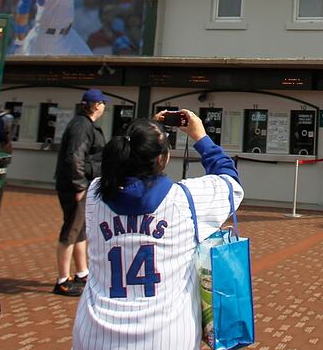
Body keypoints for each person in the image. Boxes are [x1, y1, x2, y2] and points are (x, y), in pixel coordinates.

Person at [72, 110, 243, 350]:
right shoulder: (185, 200)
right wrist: (201, 137)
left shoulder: (95, 193)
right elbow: (230, 181)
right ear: (162, 159)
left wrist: (146, 129)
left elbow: (122, 167)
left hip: (95, 333)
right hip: (167, 336)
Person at [53, 88, 108, 296]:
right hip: (76, 186)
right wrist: (79, 185)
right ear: (96, 105)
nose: (104, 107)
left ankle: (82, 272)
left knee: (81, 229)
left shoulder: (84, 124)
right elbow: (75, 155)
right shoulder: (81, 125)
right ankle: (62, 279)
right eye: (102, 103)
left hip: (82, 183)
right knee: (71, 230)